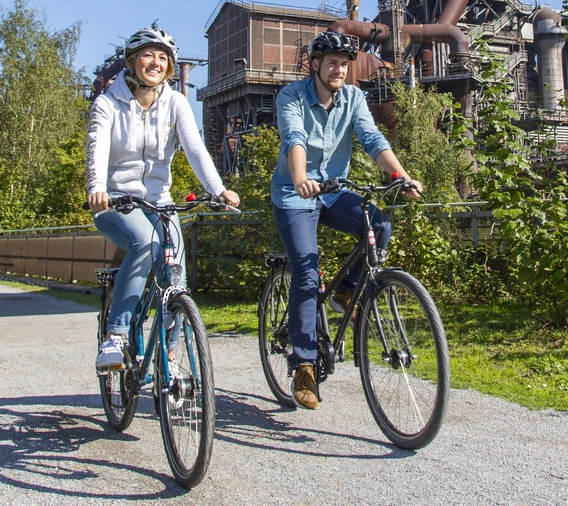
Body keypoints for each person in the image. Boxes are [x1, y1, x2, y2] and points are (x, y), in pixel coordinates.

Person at [271, 31, 422, 410]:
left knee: (380, 224)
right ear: (315, 65)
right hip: (295, 194)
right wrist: (301, 178)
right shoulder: (292, 96)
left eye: (344, 63)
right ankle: (304, 363)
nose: (339, 69)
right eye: (332, 62)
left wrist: (399, 177)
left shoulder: (354, 97)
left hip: (335, 190)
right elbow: (294, 138)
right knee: (306, 270)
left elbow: (372, 139)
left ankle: (344, 292)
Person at [87, 27, 240, 371]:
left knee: (176, 277)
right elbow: (96, 149)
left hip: (160, 201)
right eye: (147, 55)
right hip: (115, 201)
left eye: (162, 58)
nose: (155, 62)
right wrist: (97, 187)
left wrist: (218, 189)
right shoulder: (107, 103)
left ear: (170, 67)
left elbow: (195, 149)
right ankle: (116, 334)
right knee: (146, 242)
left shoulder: (175, 103)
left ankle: (169, 359)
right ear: (132, 61)